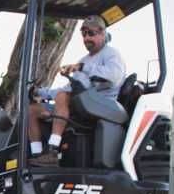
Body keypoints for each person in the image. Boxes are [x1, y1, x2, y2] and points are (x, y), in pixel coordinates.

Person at [28, 15, 126, 166]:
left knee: (62, 96)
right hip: (81, 104)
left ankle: (52, 151)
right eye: (84, 34)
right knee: (32, 110)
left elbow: (114, 76)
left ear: (102, 33)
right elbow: (67, 88)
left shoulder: (111, 54)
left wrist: (82, 68)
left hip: (101, 105)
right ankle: (38, 155)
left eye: (91, 33)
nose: (87, 38)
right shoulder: (84, 59)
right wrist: (40, 92)